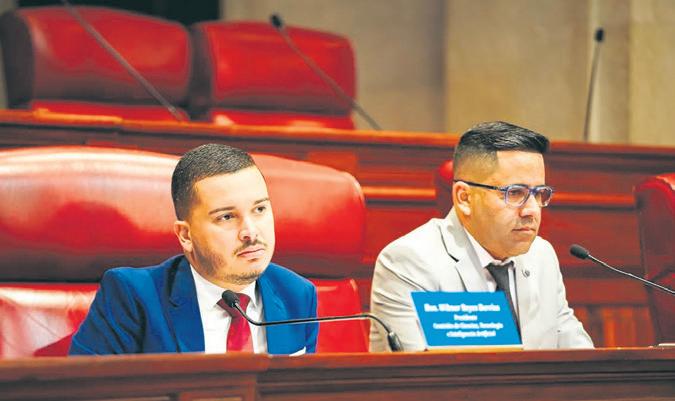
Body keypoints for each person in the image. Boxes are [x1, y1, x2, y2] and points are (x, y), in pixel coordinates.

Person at [70, 144, 318, 355]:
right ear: (186, 235)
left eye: (259, 209)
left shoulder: (297, 294)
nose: (251, 232)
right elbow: (85, 388)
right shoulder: (133, 297)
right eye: (227, 217)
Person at [369, 121, 593, 351]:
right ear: (464, 198)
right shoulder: (409, 262)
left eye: (539, 194)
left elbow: (582, 358)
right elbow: (418, 369)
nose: (532, 210)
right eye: (515, 193)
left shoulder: (541, 255)